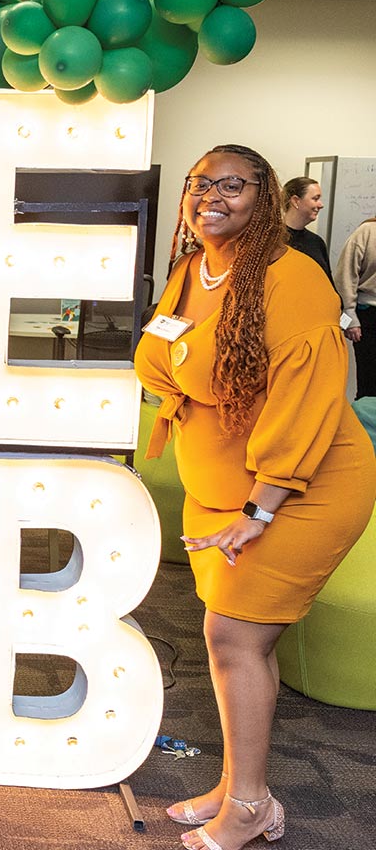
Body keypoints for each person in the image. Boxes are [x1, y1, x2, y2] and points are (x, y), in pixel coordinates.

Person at [135, 145, 375, 850]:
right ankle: (242, 788)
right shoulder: (192, 270)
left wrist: (260, 508)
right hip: (226, 492)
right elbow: (171, 361)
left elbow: (308, 400)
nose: (211, 195)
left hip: (298, 491)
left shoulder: (291, 277)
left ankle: (248, 806)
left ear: (265, 198)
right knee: (238, 642)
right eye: (199, 183)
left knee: (233, 637)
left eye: (232, 185)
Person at [334, 215, 376, 399]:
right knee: (369, 387)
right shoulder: (367, 231)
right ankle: (364, 427)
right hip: (369, 316)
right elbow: (345, 274)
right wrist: (349, 316)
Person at [280, 176, 331, 280]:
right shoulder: (271, 239)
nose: (321, 205)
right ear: (295, 201)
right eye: (315, 199)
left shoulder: (316, 242)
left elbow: (327, 282)